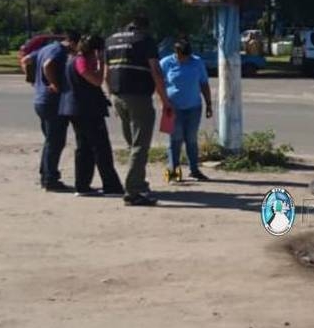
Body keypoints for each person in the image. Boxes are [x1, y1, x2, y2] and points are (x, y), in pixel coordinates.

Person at [106, 18, 170, 206]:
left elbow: (106, 73)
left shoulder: (110, 40)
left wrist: (112, 97)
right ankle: (134, 191)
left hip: (118, 96)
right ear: (143, 27)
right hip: (138, 96)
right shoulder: (144, 40)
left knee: (132, 144)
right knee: (140, 145)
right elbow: (155, 71)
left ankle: (138, 182)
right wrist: (165, 100)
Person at [63, 35, 124, 196]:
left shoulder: (73, 59)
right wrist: (102, 64)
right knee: (101, 148)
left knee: (85, 148)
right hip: (87, 110)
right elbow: (96, 81)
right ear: (96, 50)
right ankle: (111, 185)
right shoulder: (81, 61)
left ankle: (82, 185)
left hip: (77, 109)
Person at [22, 31, 78, 191]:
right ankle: (50, 179)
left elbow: (26, 60)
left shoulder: (46, 48)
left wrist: (32, 79)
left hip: (40, 100)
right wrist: (54, 83)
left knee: (50, 141)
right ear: (73, 42)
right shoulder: (59, 51)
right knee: (56, 141)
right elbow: (48, 65)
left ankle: (45, 175)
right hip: (52, 102)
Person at [160, 38, 213, 182]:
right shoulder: (166, 63)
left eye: (188, 56)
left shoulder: (197, 62)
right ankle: (173, 171)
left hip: (193, 107)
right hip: (172, 108)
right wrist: (164, 102)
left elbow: (204, 83)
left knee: (191, 139)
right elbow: (159, 84)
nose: (186, 59)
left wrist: (209, 104)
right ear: (176, 52)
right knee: (175, 140)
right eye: (183, 56)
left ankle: (194, 170)